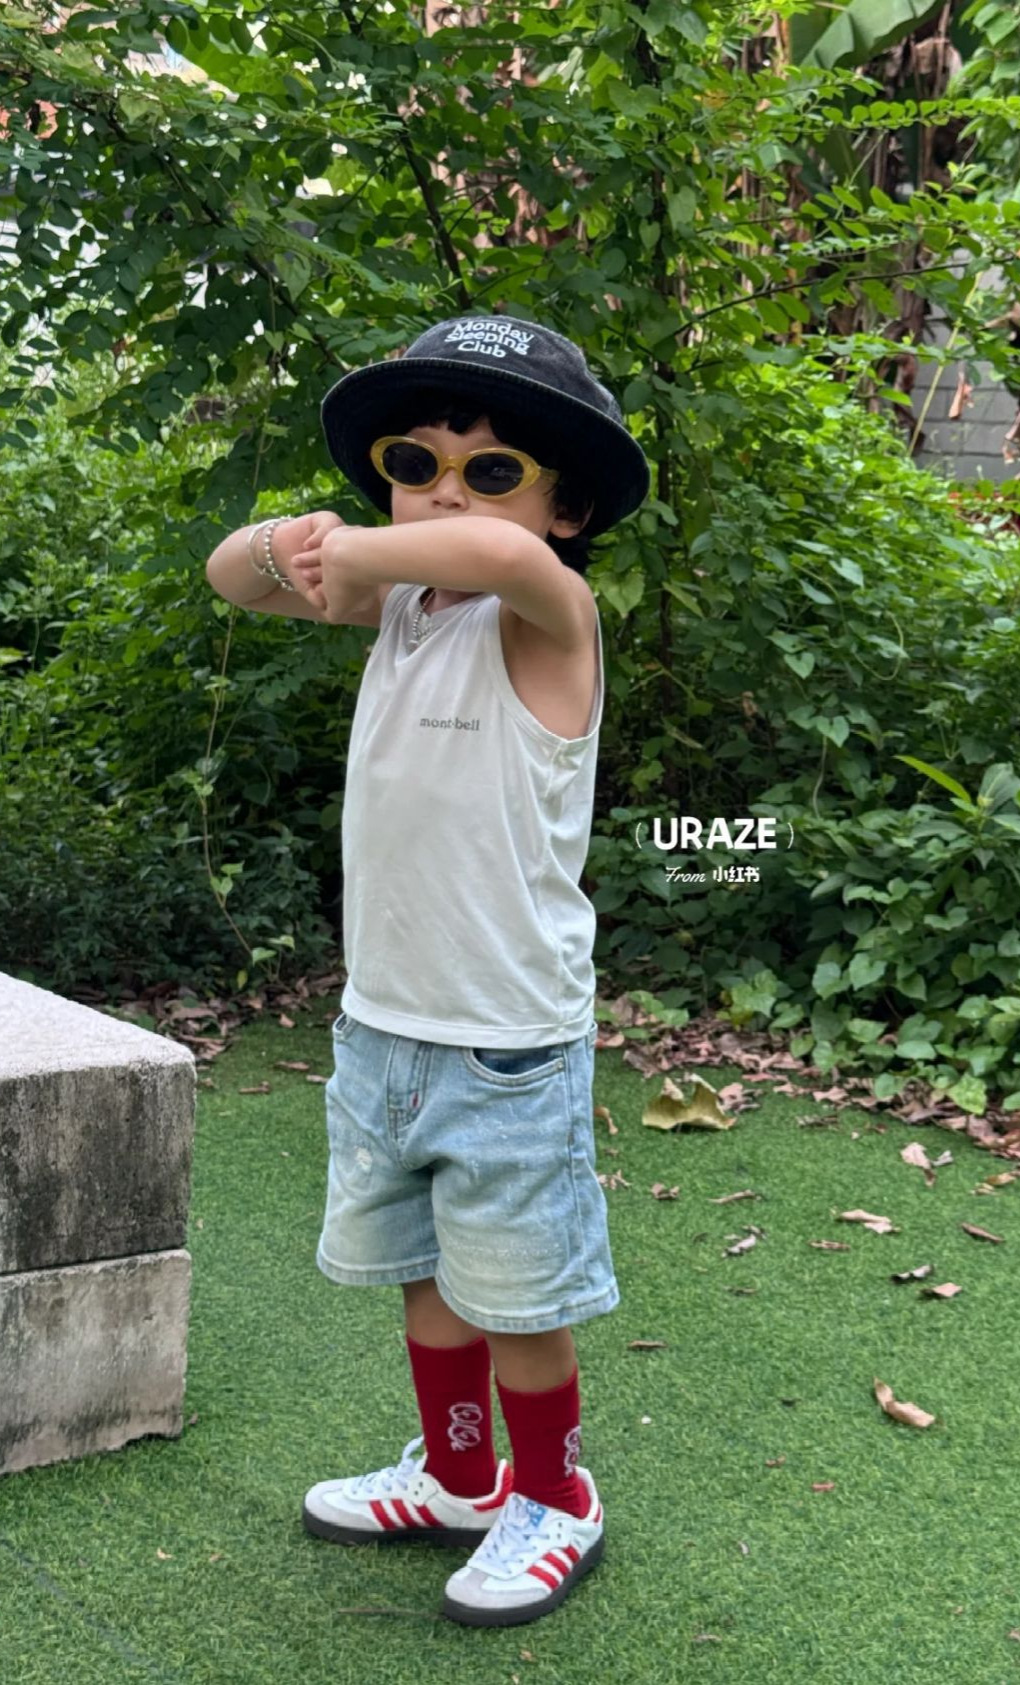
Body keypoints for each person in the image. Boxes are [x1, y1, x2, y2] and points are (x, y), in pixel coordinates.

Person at [204, 313, 650, 1626]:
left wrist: (357, 545)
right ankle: (459, 1478)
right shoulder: (400, 604)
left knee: (515, 1295)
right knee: (426, 1273)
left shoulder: (549, 615)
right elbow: (233, 577)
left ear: (566, 509)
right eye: (415, 461)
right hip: (384, 1023)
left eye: (491, 468)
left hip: (507, 1038)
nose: (447, 491)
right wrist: (291, 544)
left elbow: (495, 554)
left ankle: (555, 1496)